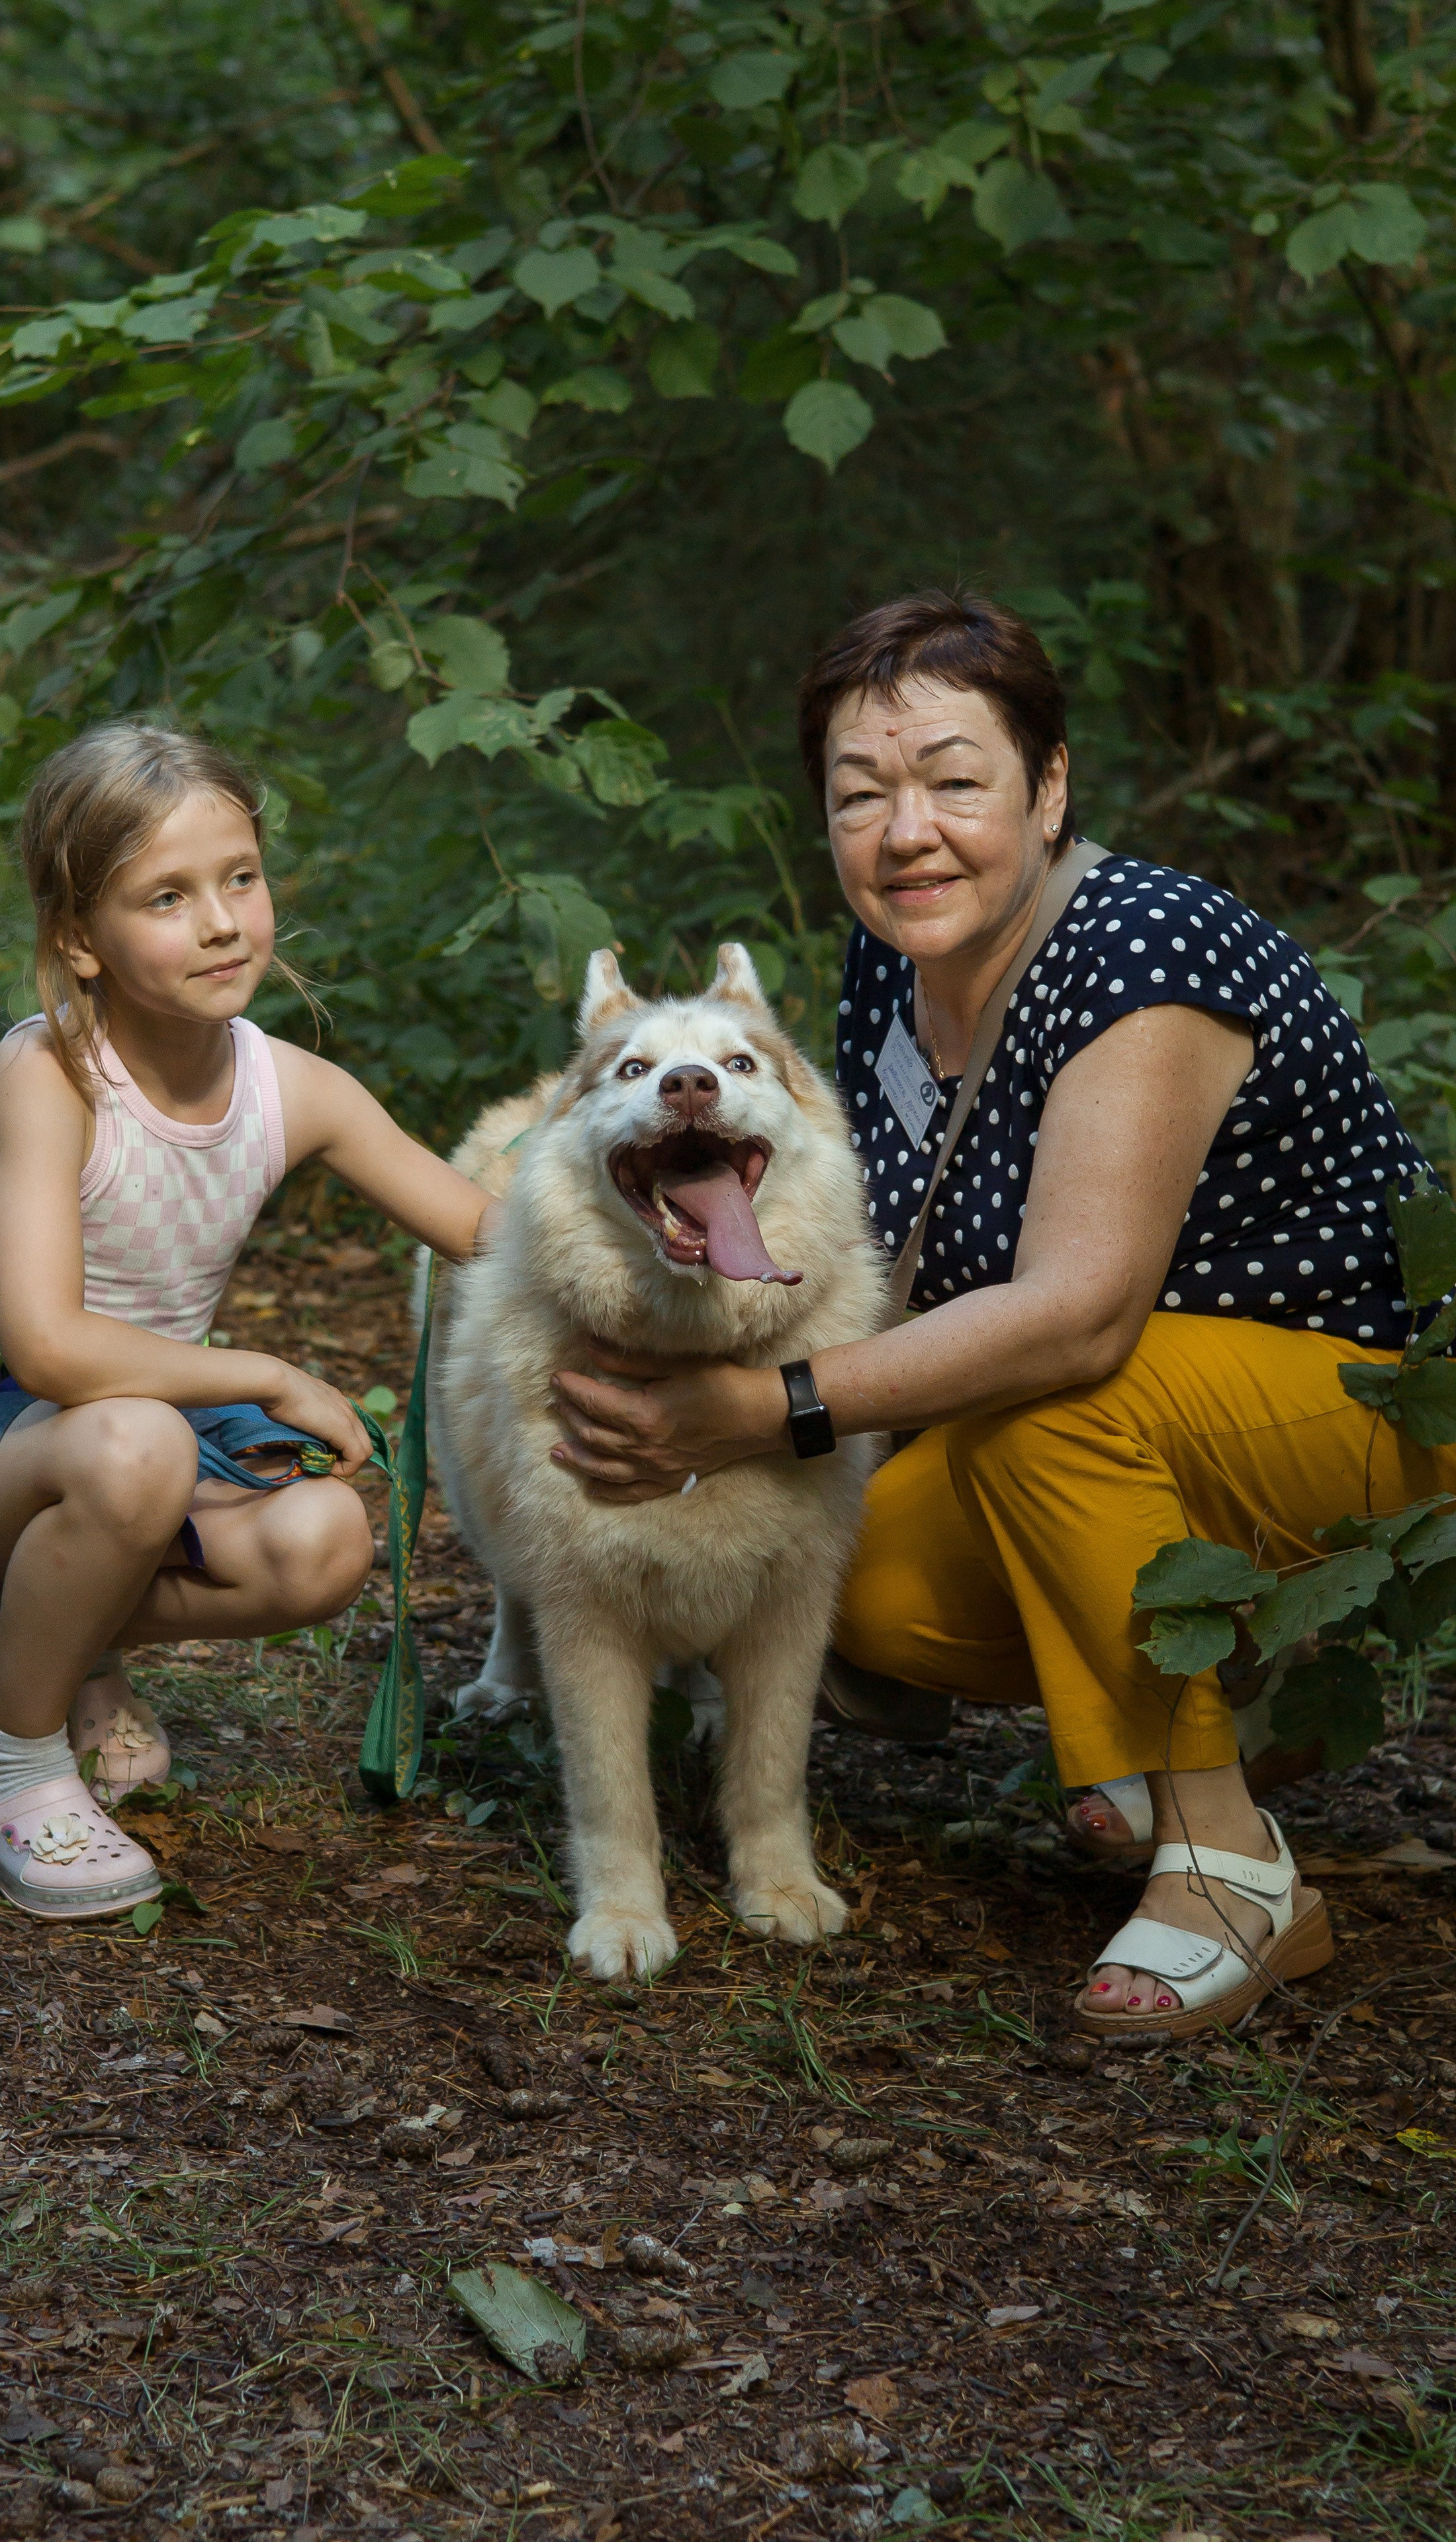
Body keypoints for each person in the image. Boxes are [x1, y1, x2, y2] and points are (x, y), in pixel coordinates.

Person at [543, 590, 1451, 2039]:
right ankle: (1196, 1713)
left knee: (1048, 1404)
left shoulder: (1139, 952)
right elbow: (905, 1251)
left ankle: (1225, 1863)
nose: (906, 831)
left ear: (1047, 788)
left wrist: (766, 1409)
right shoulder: (893, 964)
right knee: (864, 1588)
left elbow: (1075, 1316)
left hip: (1371, 1412)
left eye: (954, 781)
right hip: (1153, 1426)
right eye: (860, 794)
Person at [0, 724, 490, 1920]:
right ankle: (14, 1763)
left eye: (241, 878)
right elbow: (48, 1349)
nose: (223, 922)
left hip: (123, 1434)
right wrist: (275, 1375)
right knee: (138, 1443)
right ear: (78, 940)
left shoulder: (295, 1090)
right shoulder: (49, 1077)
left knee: (324, 1544)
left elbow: (487, 1233)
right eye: (168, 897)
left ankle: (64, 1628)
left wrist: (669, 1215)